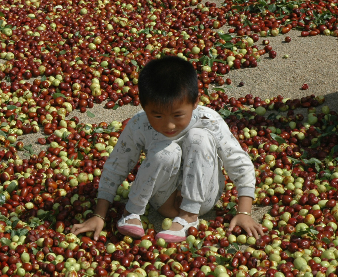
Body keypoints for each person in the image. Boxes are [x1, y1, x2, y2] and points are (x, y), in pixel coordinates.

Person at [70, 55, 264, 243]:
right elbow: (116, 165)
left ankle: (189, 216)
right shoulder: (140, 123)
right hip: (162, 201)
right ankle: (132, 213)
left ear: (195, 103)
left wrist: (244, 212)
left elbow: (238, 161)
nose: (169, 125)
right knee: (167, 150)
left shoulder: (209, 120)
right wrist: (99, 215)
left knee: (199, 137)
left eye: (178, 115)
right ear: (144, 107)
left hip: (203, 200)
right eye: (158, 116)